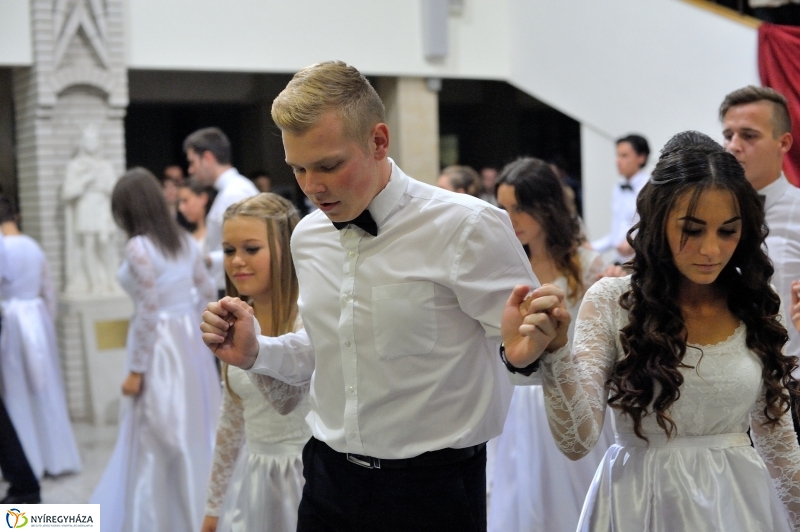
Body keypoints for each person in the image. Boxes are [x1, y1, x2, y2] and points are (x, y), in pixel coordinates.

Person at [199, 61, 562, 531]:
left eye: (329, 165)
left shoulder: (467, 226)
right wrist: (256, 353)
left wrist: (523, 356)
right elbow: (325, 350)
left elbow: (529, 355)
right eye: (299, 168)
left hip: (433, 491)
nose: (313, 187)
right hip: (327, 481)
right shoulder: (307, 237)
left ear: (378, 141)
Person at [512, 131, 800, 530]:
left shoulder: (756, 302)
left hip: (739, 507)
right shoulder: (612, 301)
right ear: (659, 221)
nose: (712, 250)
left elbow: (780, 444)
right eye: (692, 230)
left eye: (728, 230)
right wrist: (557, 351)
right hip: (639, 504)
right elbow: (577, 443)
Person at [91, 168, 221, 532]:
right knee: (194, 427)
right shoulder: (180, 239)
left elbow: (148, 307)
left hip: (159, 348)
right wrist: (200, 335)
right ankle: (197, 508)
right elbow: (206, 291)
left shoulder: (138, 247)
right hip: (188, 345)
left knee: (158, 435)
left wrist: (135, 369)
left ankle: (159, 518)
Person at [489, 158, 613, 532]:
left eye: (520, 208)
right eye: (504, 208)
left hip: (568, 396)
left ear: (545, 206)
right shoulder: (501, 266)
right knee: (517, 507)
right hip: (514, 405)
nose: (511, 219)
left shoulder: (588, 266)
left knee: (575, 508)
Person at [201, 193, 310, 532]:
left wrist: (251, 356)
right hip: (255, 480)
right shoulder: (233, 317)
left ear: (285, 249)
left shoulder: (306, 318)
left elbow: (286, 402)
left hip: (306, 477)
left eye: (251, 249)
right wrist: (213, 507)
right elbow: (232, 417)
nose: (237, 262)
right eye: (229, 250)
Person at [721, 87, 800, 386]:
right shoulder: (707, 216)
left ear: (783, 142)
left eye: (748, 135)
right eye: (728, 135)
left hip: (789, 385)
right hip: (718, 392)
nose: (733, 146)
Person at [0, 196, 82, 479]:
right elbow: (48, 290)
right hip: (37, 320)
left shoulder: (3, 248)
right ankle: (56, 457)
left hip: (10, 322)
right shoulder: (33, 246)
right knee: (46, 390)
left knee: (16, 392)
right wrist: (47, 323)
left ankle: (28, 461)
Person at [183, 128, 259, 293]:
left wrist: (206, 260)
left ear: (208, 158)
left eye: (192, 162)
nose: (191, 170)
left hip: (236, 286)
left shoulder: (235, 192)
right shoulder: (232, 189)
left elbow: (248, 245)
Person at [591, 134, 650, 264]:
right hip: (619, 261)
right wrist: (591, 248)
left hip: (641, 263)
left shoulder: (650, 188)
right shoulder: (617, 188)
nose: (618, 161)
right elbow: (615, 233)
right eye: (617, 155)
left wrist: (636, 241)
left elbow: (653, 228)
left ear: (641, 157)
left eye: (624, 156)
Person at [178, 178, 217, 257]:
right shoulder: (187, 235)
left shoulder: (217, 231)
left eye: (185, 201)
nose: (181, 208)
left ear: (203, 198)